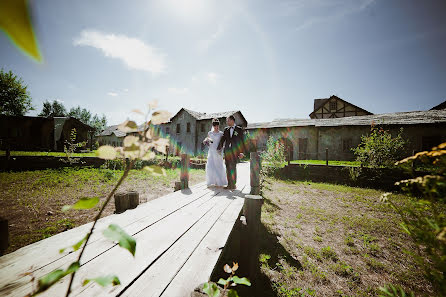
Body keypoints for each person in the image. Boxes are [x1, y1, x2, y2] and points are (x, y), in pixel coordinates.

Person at [217, 115, 246, 190]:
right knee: (227, 168)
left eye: (228, 120)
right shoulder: (226, 129)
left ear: (232, 120)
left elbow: (242, 141)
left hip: (235, 152)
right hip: (227, 151)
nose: (227, 122)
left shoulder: (239, 129)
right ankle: (229, 184)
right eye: (227, 121)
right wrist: (218, 148)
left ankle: (233, 184)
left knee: (232, 167)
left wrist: (242, 152)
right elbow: (223, 139)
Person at [203, 118, 228, 187]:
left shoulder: (221, 133)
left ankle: (219, 181)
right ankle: (212, 181)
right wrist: (206, 141)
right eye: (215, 126)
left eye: (217, 126)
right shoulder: (210, 133)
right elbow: (207, 140)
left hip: (218, 151)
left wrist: (221, 149)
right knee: (211, 165)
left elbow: (222, 143)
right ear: (213, 126)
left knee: (219, 165)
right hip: (211, 151)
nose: (216, 127)